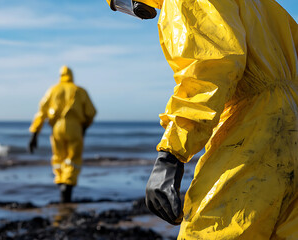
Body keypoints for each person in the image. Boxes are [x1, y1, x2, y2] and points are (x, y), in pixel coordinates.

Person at [106, 0, 298, 238]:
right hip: (293, 124)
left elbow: (209, 69)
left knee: (211, 228)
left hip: (254, 129)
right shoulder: (263, 5)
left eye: (122, 4)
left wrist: (170, 156)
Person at [28, 66, 96, 203]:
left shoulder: (52, 90)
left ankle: (61, 187)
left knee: (58, 159)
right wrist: (84, 128)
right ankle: (67, 190)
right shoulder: (79, 90)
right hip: (75, 127)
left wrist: (34, 134)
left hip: (57, 127)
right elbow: (91, 112)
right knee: (72, 159)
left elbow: (41, 113)